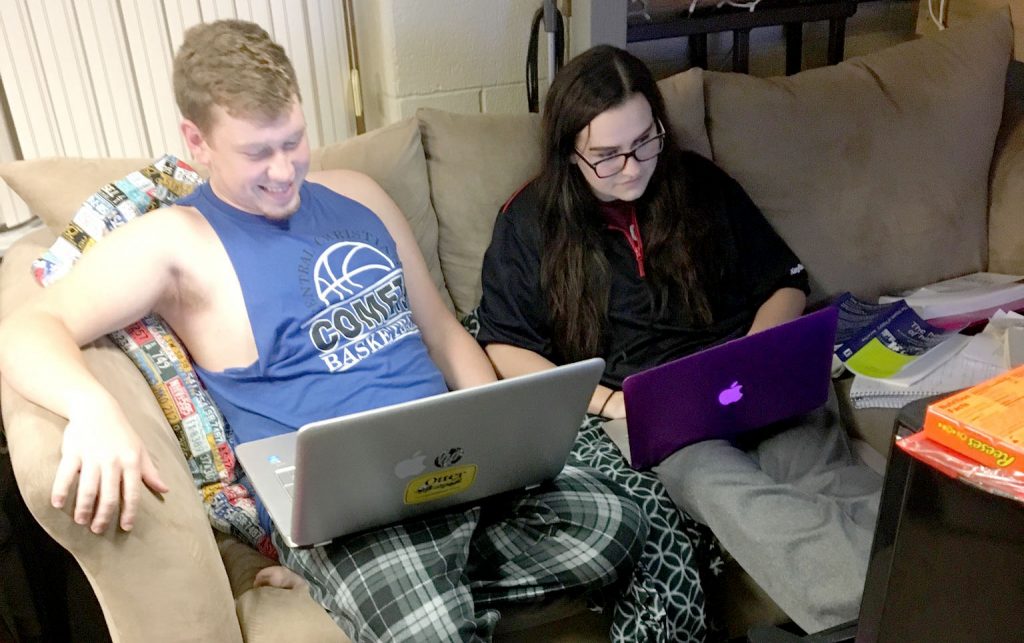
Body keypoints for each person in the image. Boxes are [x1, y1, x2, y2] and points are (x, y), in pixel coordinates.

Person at [0, 21, 650, 641]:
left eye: (294, 140)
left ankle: (369, 595)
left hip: (451, 464)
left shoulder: (358, 194)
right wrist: (92, 408)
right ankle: (379, 590)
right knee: (429, 628)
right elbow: (30, 324)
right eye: (258, 152)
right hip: (352, 511)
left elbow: (445, 333)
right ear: (195, 144)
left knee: (616, 524)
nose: (285, 171)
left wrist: (496, 440)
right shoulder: (176, 242)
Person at [475, 45, 883, 636]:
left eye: (645, 141)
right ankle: (887, 608)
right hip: (658, 412)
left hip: (753, 382)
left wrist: (759, 353)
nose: (634, 166)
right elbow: (503, 347)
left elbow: (785, 281)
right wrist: (610, 403)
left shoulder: (697, 184)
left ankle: (913, 591)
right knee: (719, 485)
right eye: (607, 156)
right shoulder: (530, 221)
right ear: (569, 154)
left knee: (834, 478)